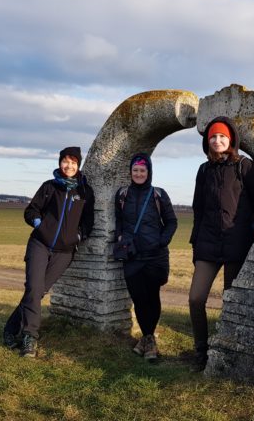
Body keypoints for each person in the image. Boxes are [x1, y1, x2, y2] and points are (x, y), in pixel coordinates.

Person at [188, 117, 254, 372]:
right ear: (207, 141)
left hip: (237, 243)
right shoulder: (203, 170)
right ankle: (201, 349)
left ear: (231, 140)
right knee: (195, 298)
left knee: (230, 300)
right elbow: (198, 209)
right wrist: (195, 243)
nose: (218, 141)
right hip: (208, 244)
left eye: (222, 136)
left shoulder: (245, 166)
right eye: (213, 137)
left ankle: (225, 349)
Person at [3, 146, 94, 358]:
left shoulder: (85, 192)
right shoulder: (49, 187)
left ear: (78, 165)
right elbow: (31, 210)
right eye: (65, 161)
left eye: (73, 162)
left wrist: (78, 237)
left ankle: (10, 329)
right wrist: (40, 225)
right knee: (34, 288)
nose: (68, 166)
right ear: (60, 163)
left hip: (64, 252)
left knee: (38, 292)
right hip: (40, 245)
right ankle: (30, 338)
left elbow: (89, 222)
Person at [114, 152, 177, 362]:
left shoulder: (159, 194)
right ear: (130, 172)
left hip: (155, 256)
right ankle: (148, 338)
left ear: (148, 172)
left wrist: (161, 241)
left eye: (142, 170)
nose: (139, 173)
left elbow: (171, 222)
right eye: (135, 170)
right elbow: (119, 221)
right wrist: (120, 236)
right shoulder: (122, 194)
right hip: (132, 257)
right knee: (139, 299)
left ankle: (147, 338)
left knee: (152, 296)